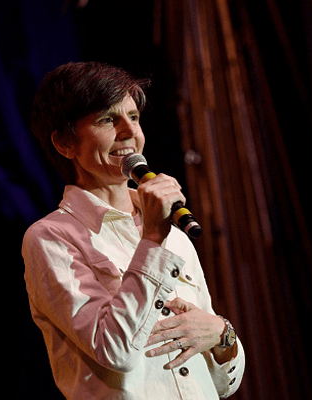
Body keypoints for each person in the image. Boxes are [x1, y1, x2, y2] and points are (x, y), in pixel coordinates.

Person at [22, 61, 245, 399]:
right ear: (65, 143)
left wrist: (222, 335)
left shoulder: (177, 237)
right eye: (107, 119)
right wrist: (153, 240)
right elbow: (114, 351)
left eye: (134, 117)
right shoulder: (51, 237)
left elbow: (219, 384)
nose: (129, 132)